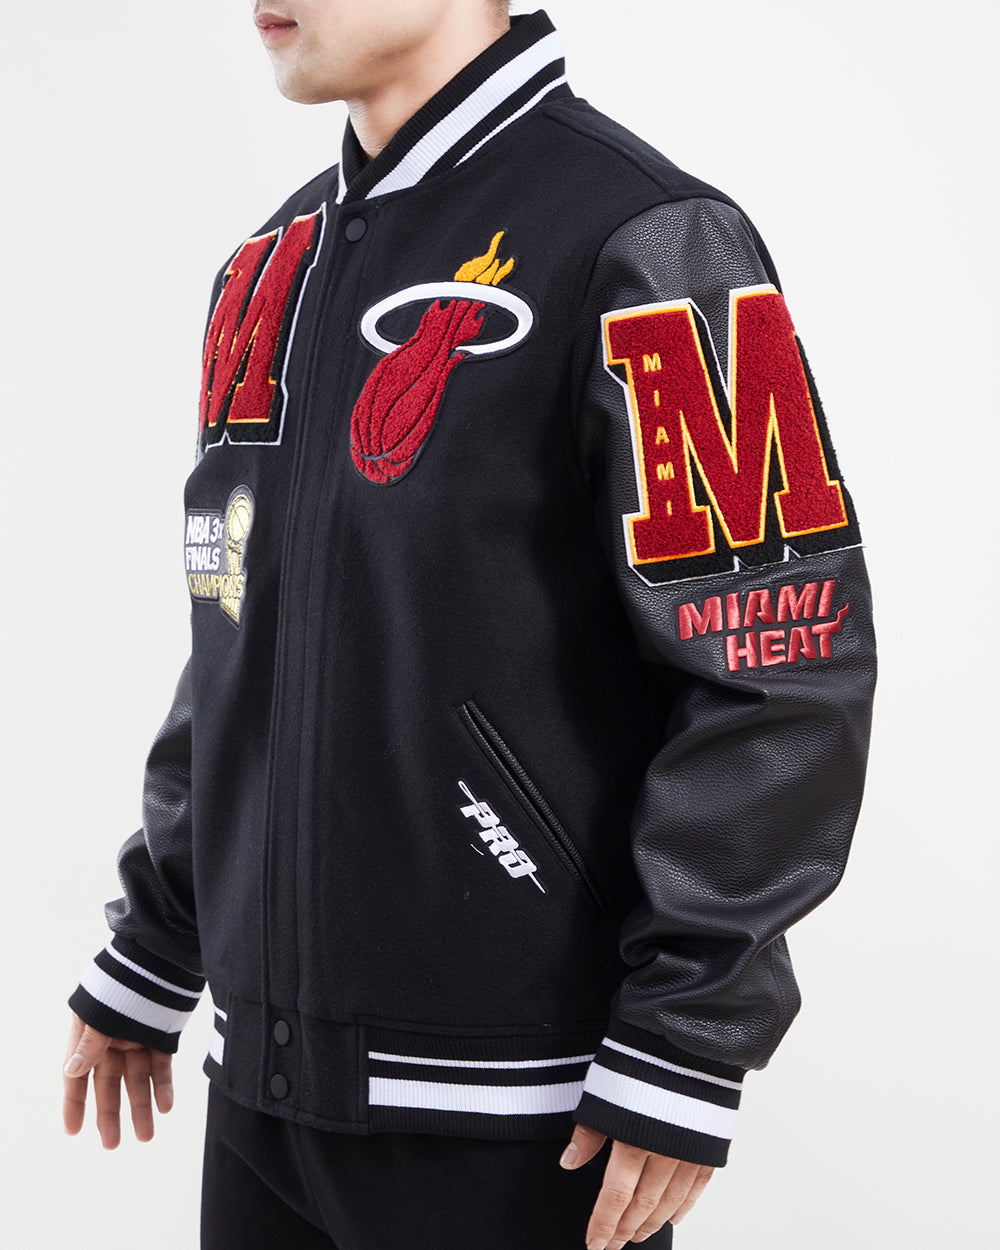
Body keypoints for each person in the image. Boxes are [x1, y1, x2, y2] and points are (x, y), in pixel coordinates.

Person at [62, 3, 877, 1247]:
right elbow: (240, 633)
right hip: (262, 1100)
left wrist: (689, 1030)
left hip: (527, 1119)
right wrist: (160, 933)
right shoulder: (268, 268)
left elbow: (780, 660)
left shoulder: (651, 240)